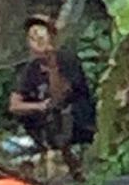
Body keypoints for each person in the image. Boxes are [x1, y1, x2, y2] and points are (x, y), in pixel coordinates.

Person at [7, 16, 95, 159]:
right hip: (46, 127)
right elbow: (14, 105)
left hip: (76, 123)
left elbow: (60, 96)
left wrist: (52, 66)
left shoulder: (66, 60)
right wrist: (39, 106)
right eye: (32, 37)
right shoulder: (30, 69)